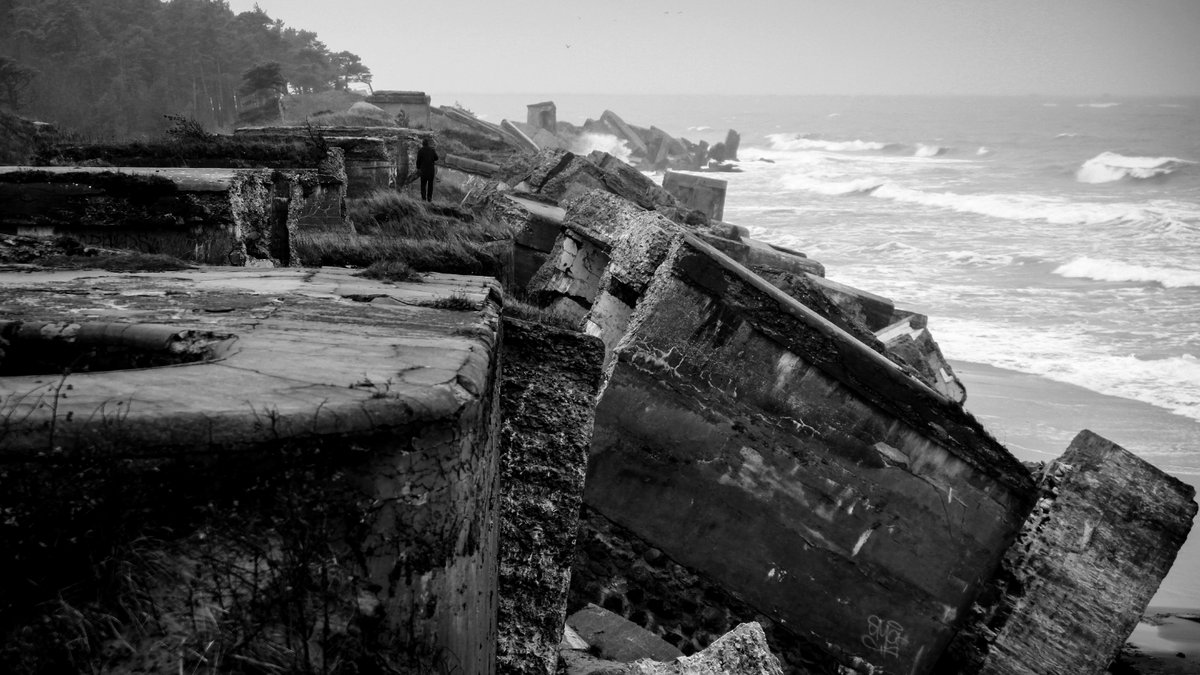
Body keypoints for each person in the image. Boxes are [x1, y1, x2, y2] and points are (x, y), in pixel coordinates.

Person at [416, 137, 438, 202]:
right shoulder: (432, 150)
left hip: (423, 171)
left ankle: (423, 199)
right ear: (428, 144)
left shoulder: (420, 150)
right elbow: (436, 158)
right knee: (430, 186)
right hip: (431, 171)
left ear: (422, 144)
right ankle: (429, 199)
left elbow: (418, 161)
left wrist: (418, 168)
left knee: (423, 185)